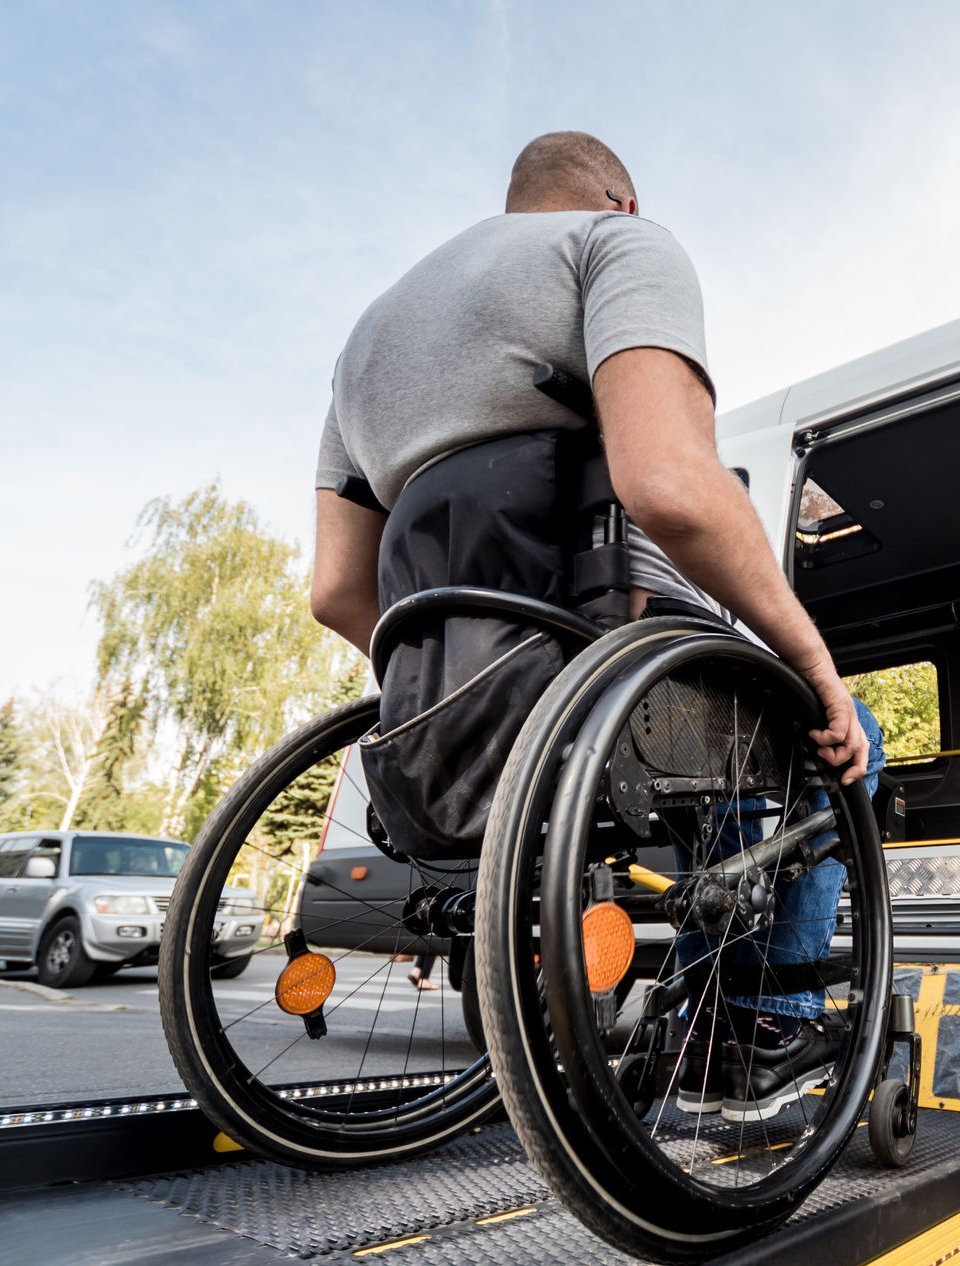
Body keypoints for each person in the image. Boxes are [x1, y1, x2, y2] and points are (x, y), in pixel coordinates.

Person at [309, 131, 879, 1120]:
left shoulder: (367, 342)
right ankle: (749, 1023)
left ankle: (718, 1006)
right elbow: (669, 483)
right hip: (600, 660)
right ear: (616, 198)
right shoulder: (617, 248)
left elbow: (336, 590)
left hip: (458, 699)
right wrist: (812, 659)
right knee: (842, 748)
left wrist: (459, 679)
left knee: (726, 761)